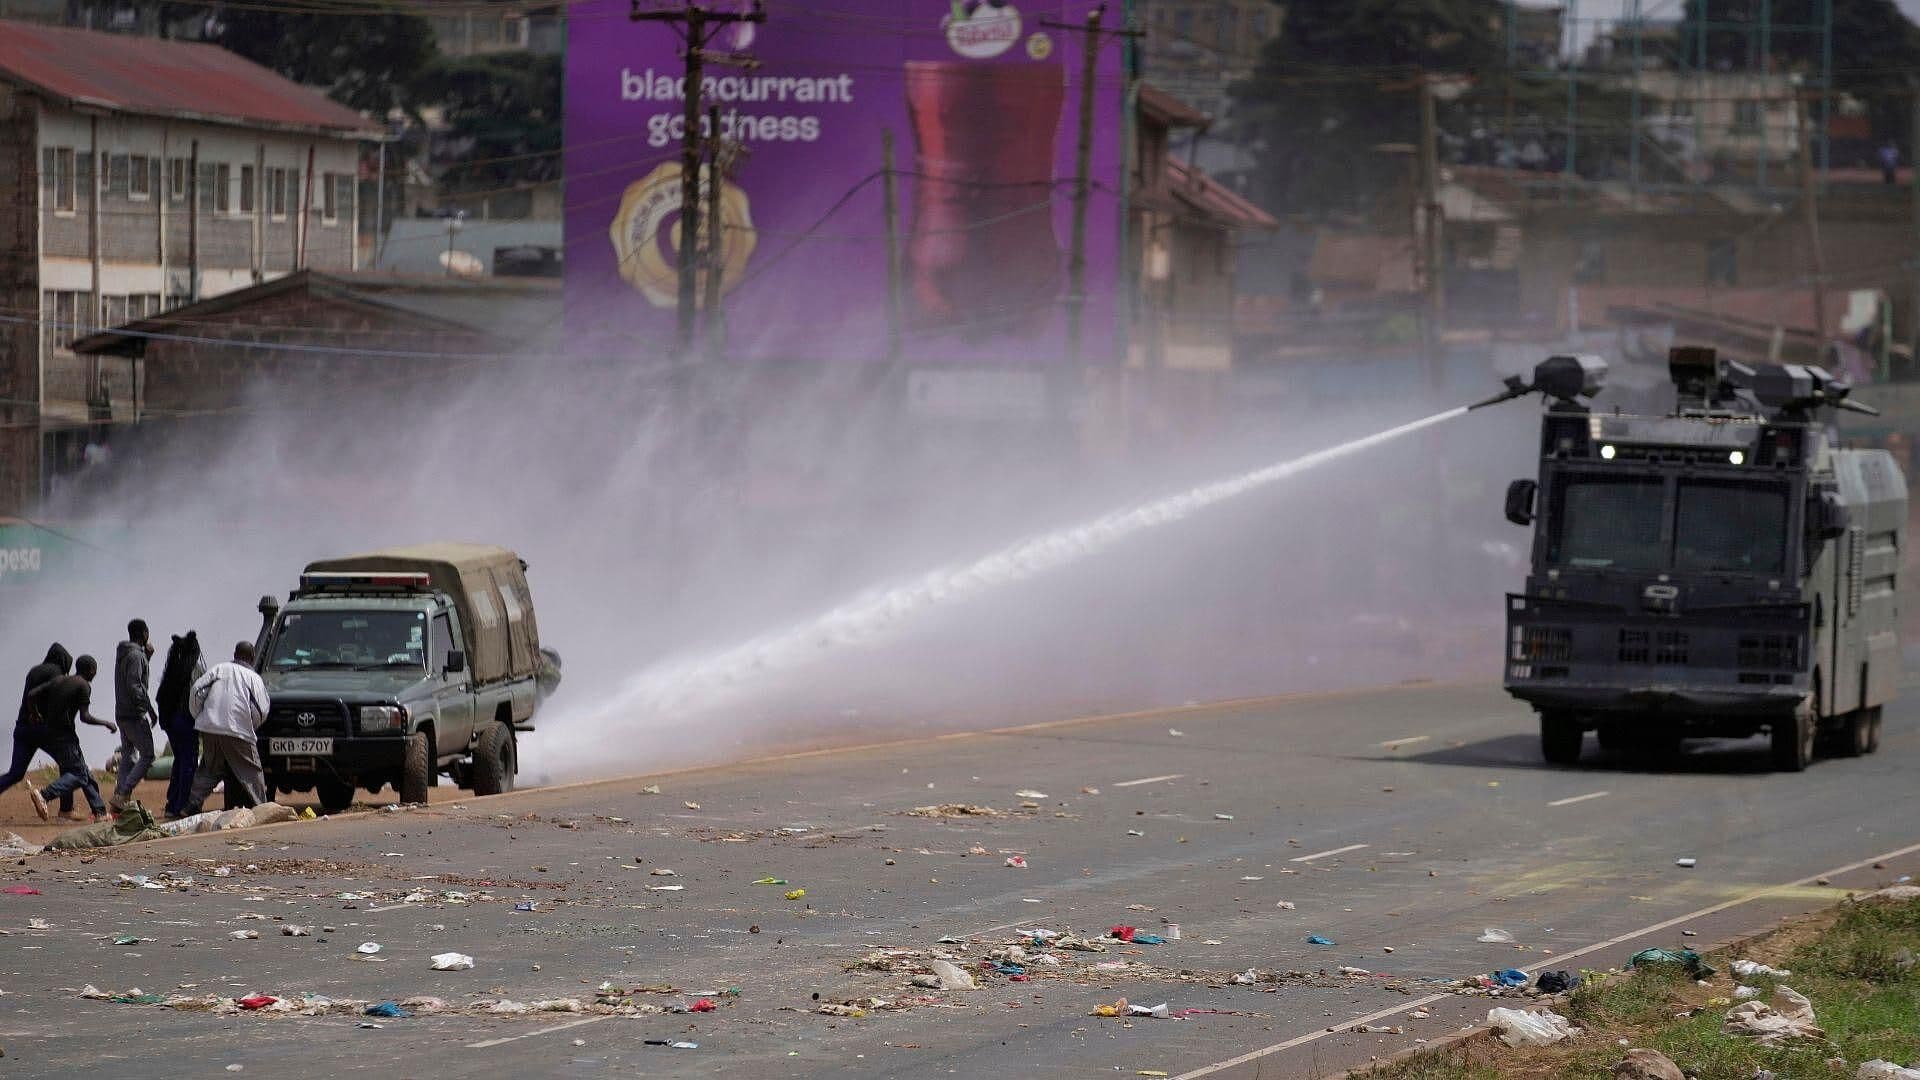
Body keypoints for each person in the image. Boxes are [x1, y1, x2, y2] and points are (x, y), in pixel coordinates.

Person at [184, 641, 271, 814]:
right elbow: (261, 710)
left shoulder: (218, 669)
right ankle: (262, 808)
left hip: (210, 727)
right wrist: (249, 725)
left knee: (209, 769)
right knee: (251, 770)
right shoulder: (253, 678)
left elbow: (196, 692)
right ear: (252, 657)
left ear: (235, 654)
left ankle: (192, 805)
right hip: (238, 730)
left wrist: (200, 716)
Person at [27, 655, 115, 822]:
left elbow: (31, 695)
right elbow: (85, 717)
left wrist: (35, 714)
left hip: (49, 733)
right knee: (79, 774)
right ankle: (44, 795)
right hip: (65, 736)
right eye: (95, 670)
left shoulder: (59, 679)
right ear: (90, 670)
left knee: (80, 771)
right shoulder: (83, 685)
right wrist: (106, 723)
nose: (95, 674)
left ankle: (92, 812)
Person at [0, 644, 72, 806]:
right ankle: (66, 809)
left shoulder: (34, 671)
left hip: (22, 728)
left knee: (16, 773)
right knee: (67, 763)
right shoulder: (56, 673)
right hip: (42, 729)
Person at [154, 631, 206, 820]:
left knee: (180, 760)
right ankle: (184, 805)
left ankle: (172, 804)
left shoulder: (172, 667)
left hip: (170, 721)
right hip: (186, 721)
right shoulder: (195, 670)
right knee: (189, 763)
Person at [110, 618, 160, 811]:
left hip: (121, 713)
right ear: (145, 633)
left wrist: (147, 657)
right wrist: (149, 709)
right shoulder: (136, 656)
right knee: (147, 755)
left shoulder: (125, 653)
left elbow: (135, 677)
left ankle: (119, 798)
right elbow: (135, 685)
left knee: (129, 755)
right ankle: (124, 793)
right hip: (134, 714)